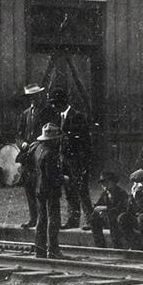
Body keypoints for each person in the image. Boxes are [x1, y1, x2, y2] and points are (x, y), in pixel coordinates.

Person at [50, 87, 94, 229]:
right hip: (64, 161)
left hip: (77, 161)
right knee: (69, 191)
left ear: (62, 103)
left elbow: (85, 141)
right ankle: (73, 220)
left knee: (82, 191)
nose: (54, 106)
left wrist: (83, 163)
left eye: (55, 103)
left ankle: (90, 221)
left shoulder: (77, 116)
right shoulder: (59, 117)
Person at [26, 122, 66, 258]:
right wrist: (63, 179)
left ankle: (40, 250)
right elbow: (52, 176)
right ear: (54, 139)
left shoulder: (36, 149)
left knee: (41, 219)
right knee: (53, 219)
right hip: (50, 189)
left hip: (38, 188)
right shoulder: (51, 153)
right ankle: (53, 250)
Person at [15, 84, 47, 228]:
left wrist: (37, 143)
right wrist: (22, 144)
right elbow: (19, 134)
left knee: (40, 187)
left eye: (35, 96)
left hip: (40, 153)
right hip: (27, 155)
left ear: (39, 96)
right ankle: (33, 218)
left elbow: (49, 132)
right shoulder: (25, 114)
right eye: (30, 97)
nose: (33, 99)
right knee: (28, 187)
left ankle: (42, 218)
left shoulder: (46, 112)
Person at [89, 170, 130, 249]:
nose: (104, 185)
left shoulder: (121, 193)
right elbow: (97, 206)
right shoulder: (105, 194)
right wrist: (100, 212)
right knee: (94, 220)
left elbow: (122, 208)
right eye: (102, 183)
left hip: (118, 219)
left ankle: (117, 246)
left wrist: (106, 209)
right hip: (106, 218)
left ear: (113, 182)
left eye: (106, 182)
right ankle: (100, 246)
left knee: (112, 218)